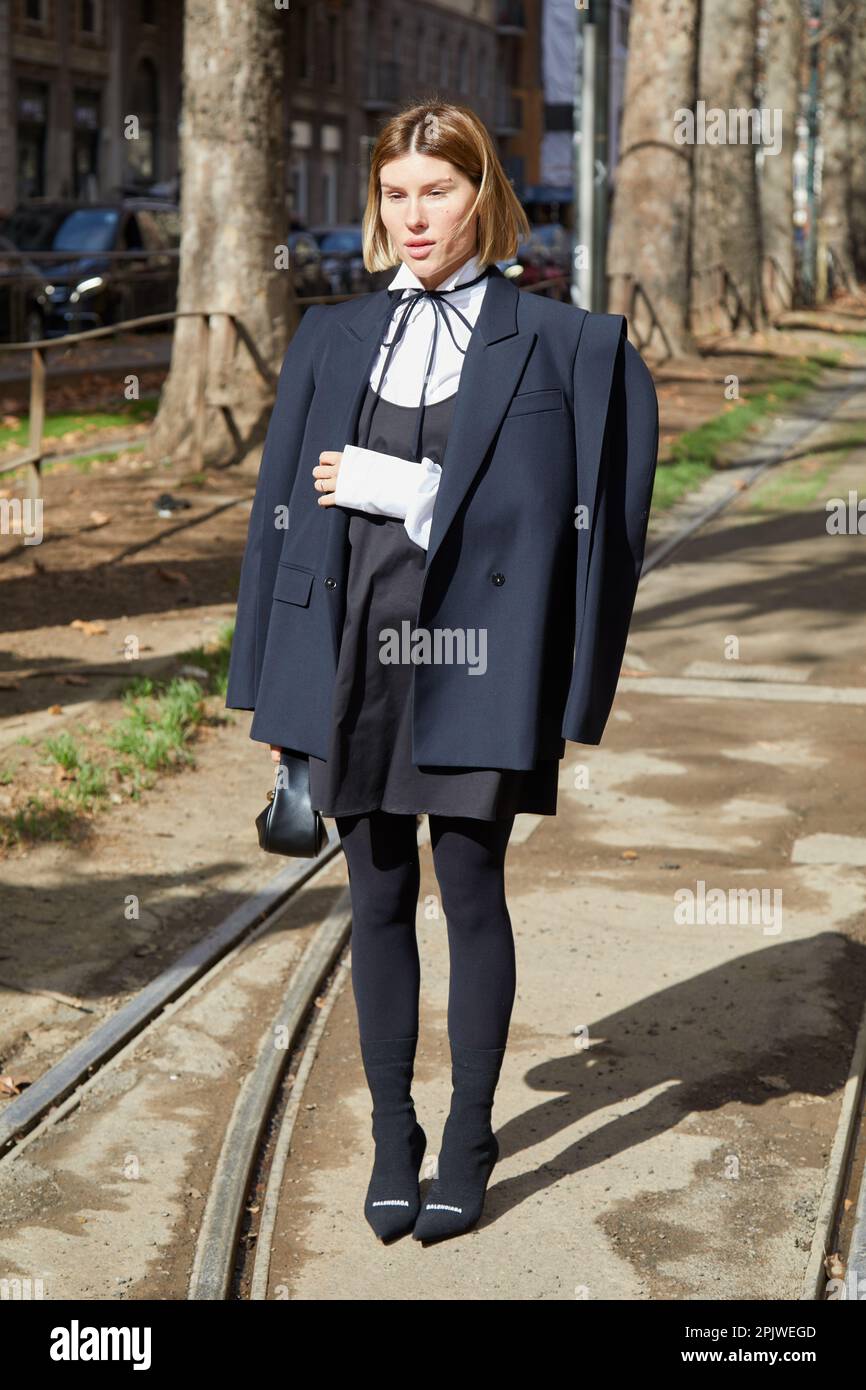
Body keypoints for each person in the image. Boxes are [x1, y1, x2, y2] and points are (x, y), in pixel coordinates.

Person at [225, 101, 659, 1246]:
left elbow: (556, 524)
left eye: (437, 190)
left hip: (474, 658)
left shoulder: (555, 342)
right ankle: (390, 1133)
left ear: (483, 196)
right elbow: (279, 526)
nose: (412, 216)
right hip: (348, 654)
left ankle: (469, 1133)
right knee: (372, 897)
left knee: (468, 893)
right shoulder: (330, 337)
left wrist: (395, 487)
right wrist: (272, 687)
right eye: (394, 193)